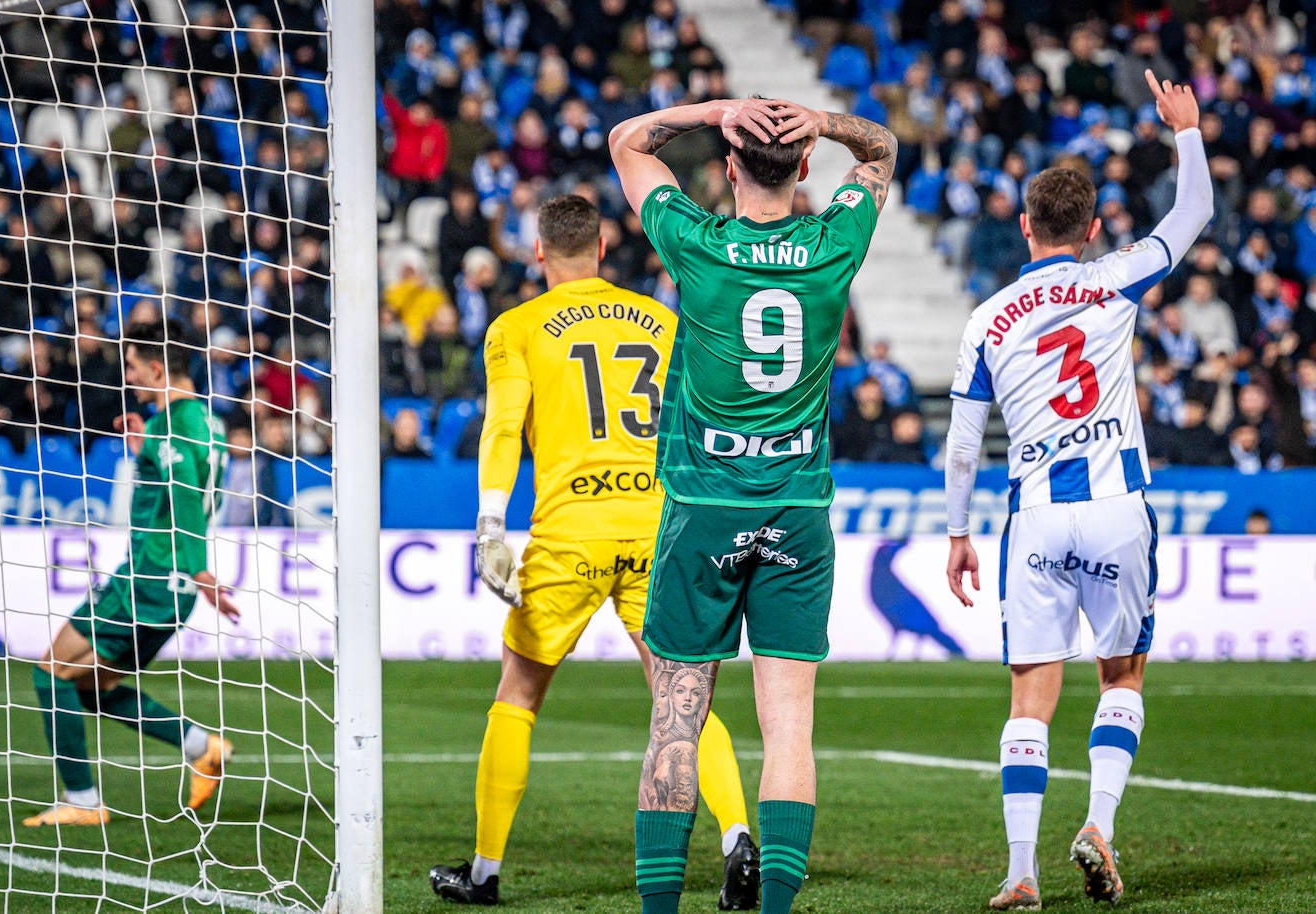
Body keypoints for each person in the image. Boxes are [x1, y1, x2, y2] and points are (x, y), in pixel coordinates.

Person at [427, 195, 757, 909]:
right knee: (680, 696)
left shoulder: (517, 326)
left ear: (538, 252)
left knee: (517, 696)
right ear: (604, 247)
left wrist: (490, 527)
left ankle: (483, 873)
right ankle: (737, 837)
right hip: (658, 525)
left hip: (571, 530)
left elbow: (503, 428)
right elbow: (705, 424)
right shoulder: (663, 321)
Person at [609, 96, 895, 914]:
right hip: (798, 510)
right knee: (790, 729)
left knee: (675, 718)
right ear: (805, 169)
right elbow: (883, 151)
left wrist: (714, 107)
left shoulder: (697, 245)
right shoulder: (834, 242)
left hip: (704, 508)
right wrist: (823, 120)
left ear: (728, 168)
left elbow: (627, 142)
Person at [944, 71, 1211, 911]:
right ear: (1092, 230)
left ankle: (1021, 871)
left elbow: (961, 443)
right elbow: (1192, 217)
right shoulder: (1112, 278)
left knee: (1031, 693)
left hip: (1036, 518)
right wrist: (1188, 132)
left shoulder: (986, 317)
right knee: (1122, 674)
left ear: (1024, 227)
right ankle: (1098, 824)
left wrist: (957, 534)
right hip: (1117, 506)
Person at [24, 320, 238, 826]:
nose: (130, 377)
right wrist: (148, 452)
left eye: (133, 367)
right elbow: (189, 478)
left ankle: (82, 801)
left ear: (158, 367)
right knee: (88, 687)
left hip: (146, 580)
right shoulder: (207, 422)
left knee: (48, 672)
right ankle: (201, 746)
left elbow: (186, 492)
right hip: (171, 590)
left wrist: (201, 569)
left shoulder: (171, 424)